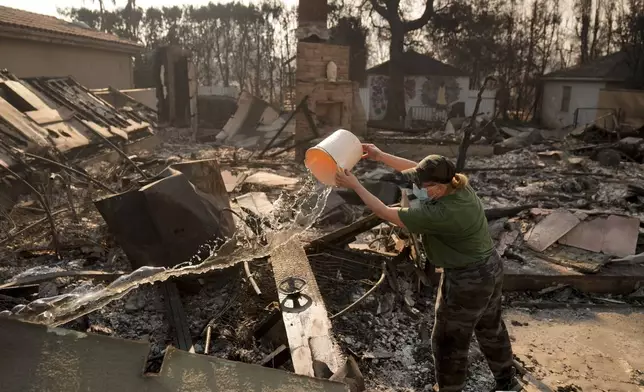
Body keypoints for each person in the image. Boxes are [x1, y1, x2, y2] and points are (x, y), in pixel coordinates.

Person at [335, 144, 522, 392]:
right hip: (489, 267)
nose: (419, 189)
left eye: (425, 186)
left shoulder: (444, 213)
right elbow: (414, 171)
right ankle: (507, 383)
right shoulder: (458, 185)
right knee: (491, 327)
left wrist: (356, 186)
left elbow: (384, 212)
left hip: (468, 279)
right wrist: (381, 156)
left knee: (448, 341)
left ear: (440, 187)